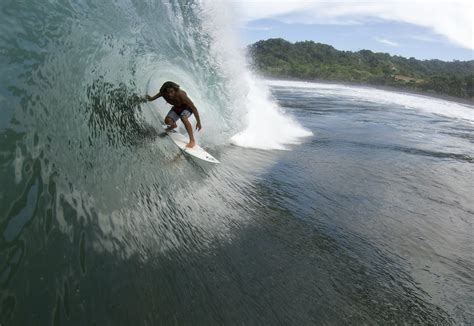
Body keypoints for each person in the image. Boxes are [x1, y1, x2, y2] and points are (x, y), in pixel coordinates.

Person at [145, 81, 202, 148]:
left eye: (172, 92)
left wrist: (198, 122)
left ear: (175, 90)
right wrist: (147, 98)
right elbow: (151, 99)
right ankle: (173, 126)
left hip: (187, 108)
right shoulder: (162, 93)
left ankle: (192, 140)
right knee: (167, 121)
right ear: (164, 92)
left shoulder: (181, 95)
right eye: (168, 92)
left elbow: (194, 108)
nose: (170, 94)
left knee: (183, 118)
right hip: (177, 108)